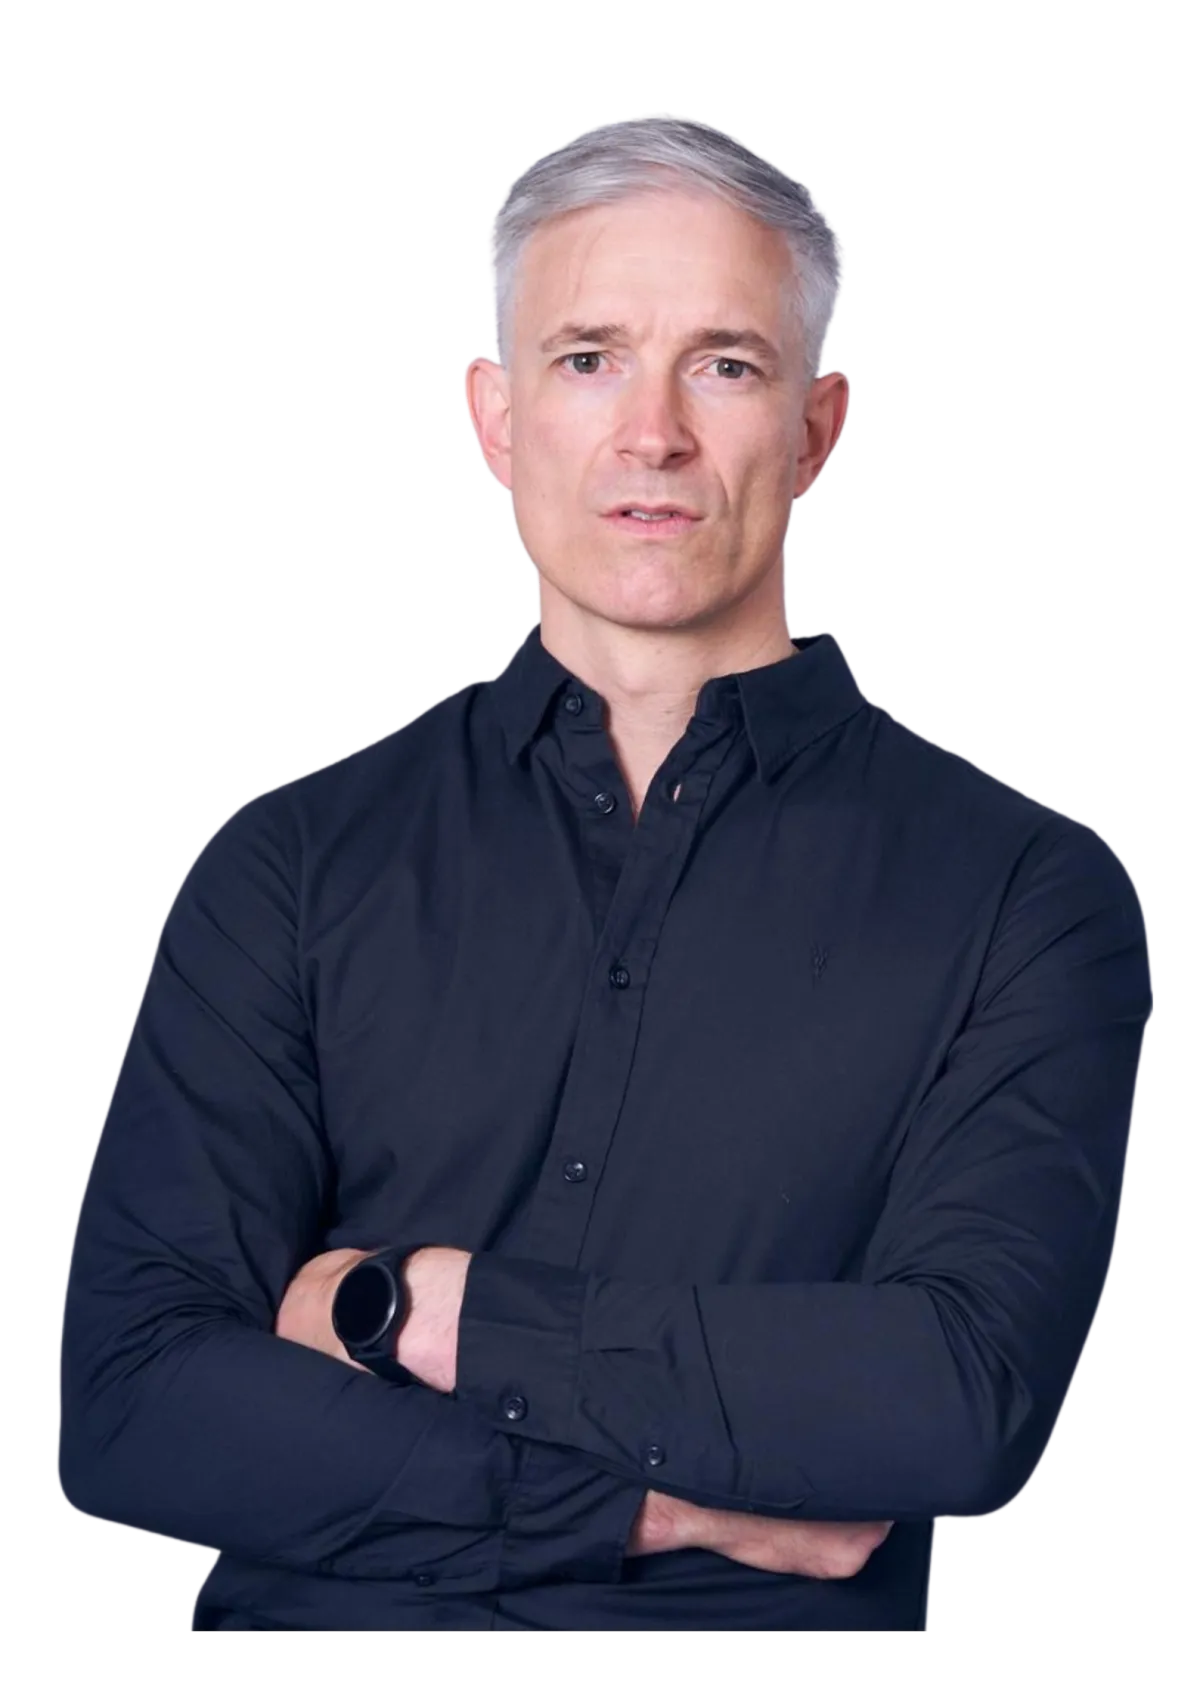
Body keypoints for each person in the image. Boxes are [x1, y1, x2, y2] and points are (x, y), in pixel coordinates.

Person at [56, 111, 1152, 1633]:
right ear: (493, 415)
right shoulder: (287, 865)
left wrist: (425, 1308)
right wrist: (641, 1507)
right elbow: (132, 1407)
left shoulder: (1028, 895)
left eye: (725, 364)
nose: (653, 434)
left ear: (819, 427)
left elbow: (955, 1401)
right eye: (588, 359)